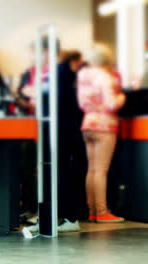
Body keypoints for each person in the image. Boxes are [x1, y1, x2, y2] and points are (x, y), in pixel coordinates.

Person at [77, 44, 126, 223]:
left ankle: (91, 211)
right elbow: (111, 104)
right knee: (101, 171)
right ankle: (102, 212)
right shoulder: (104, 77)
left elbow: (82, 102)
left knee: (91, 171)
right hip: (105, 126)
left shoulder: (83, 78)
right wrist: (122, 97)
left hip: (88, 123)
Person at [56, 50, 88, 231]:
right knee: (70, 172)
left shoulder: (59, 74)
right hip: (70, 131)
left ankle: (65, 215)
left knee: (62, 172)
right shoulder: (67, 75)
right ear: (74, 61)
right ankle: (72, 216)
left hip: (60, 131)